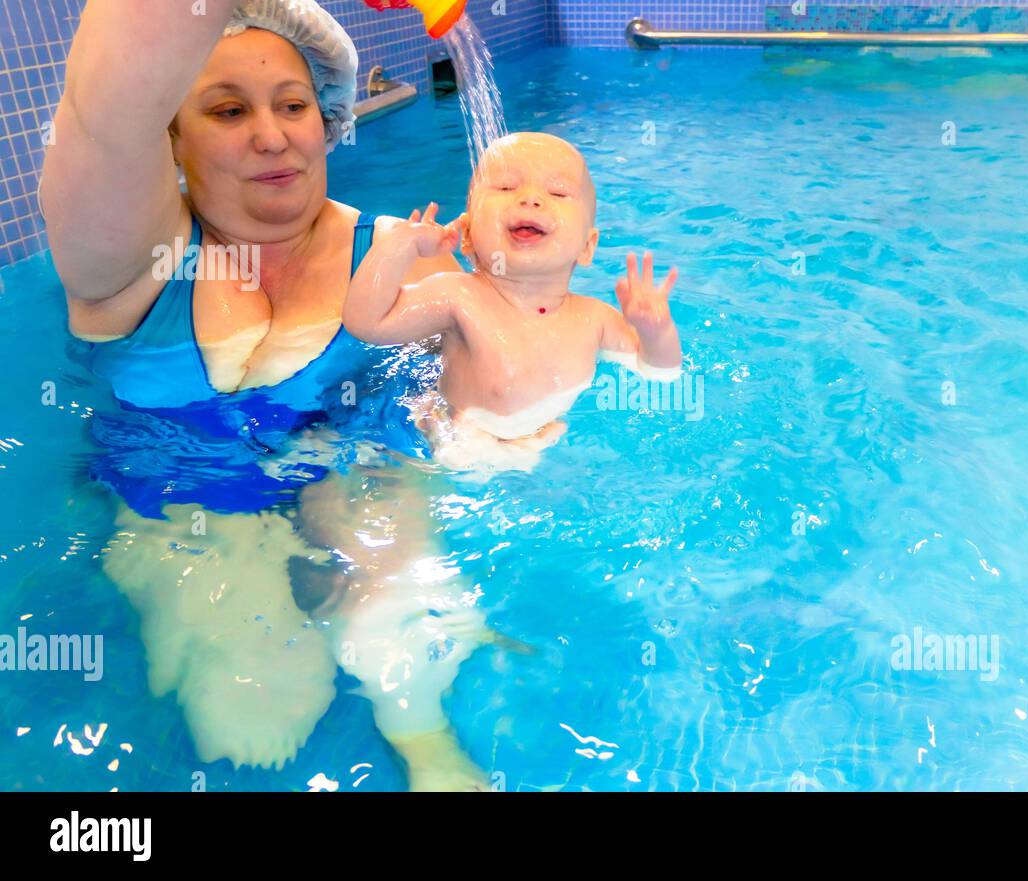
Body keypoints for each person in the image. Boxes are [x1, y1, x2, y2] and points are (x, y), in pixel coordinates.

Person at [39, 0, 515, 788]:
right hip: (182, 500)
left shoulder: (410, 263)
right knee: (251, 719)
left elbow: (502, 390)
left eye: (293, 106)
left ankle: (429, 746)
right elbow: (102, 119)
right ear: (171, 137)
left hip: (358, 467)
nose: (271, 135)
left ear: (326, 118)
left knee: (402, 633)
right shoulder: (130, 270)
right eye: (228, 110)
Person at [343, 132, 683, 473]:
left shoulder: (595, 318)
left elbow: (659, 371)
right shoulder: (457, 297)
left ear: (587, 246)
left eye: (557, 192)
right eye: (506, 187)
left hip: (549, 445)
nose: (531, 200)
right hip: (454, 446)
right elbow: (368, 323)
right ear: (468, 235)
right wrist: (401, 244)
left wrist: (656, 332)